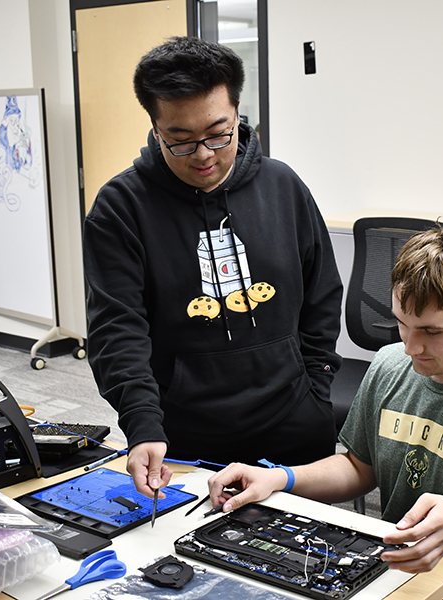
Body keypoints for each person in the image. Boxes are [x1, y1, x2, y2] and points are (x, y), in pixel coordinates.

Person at [207, 225, 443, 599]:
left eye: (432, 332)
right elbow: (359, 467)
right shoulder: (391, 365)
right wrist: (279, 478)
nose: (411, 347)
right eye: (402, 325)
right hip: (394, 578)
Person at [83, 37, 343, 500]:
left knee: (312, 560)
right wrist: (143, 424)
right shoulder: (121, 207)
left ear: (238, 110)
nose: (203, 154)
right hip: (185, 437)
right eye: (180, 140)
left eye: (219, 133)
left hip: (294, 425)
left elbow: (321, 291)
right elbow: (117, 328)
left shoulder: (282, 186)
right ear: (155, 125)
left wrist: (315, 386)